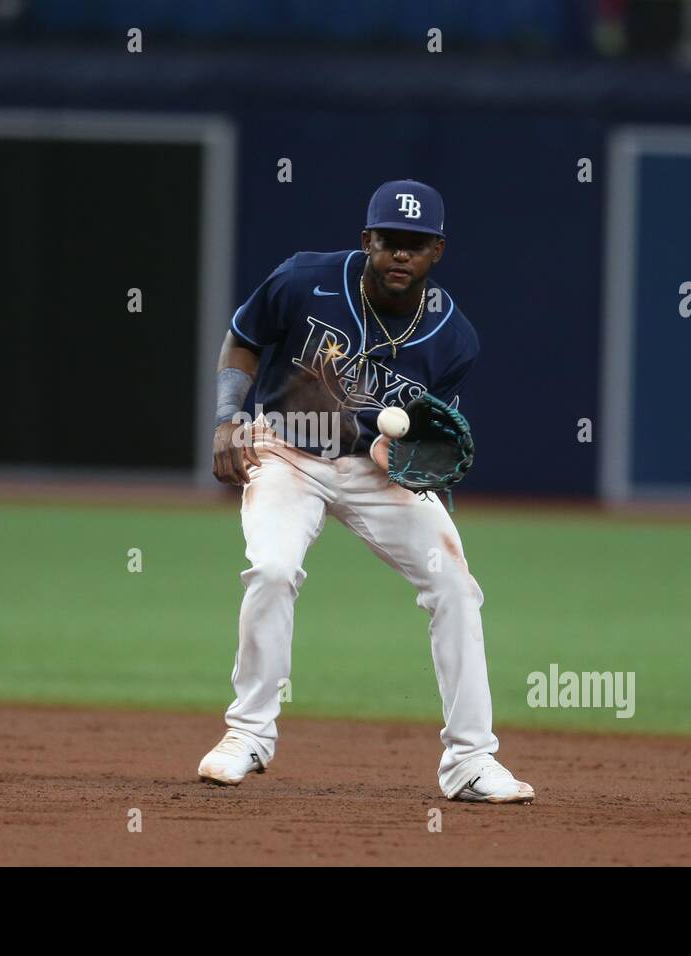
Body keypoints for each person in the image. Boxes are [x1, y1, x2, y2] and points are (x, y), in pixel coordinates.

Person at [197, 180, 535, 804]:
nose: (400, 255)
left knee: (455, 586)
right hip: (287, 452)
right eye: (389, 242)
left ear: (438, 250)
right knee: (272, 569)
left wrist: (417, 465)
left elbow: (431, 432)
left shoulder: (453, 337)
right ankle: (247, 735)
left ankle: (470, 762)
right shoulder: (304, 279)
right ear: (367, 242)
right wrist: (225, 418)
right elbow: (244, 337)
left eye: (415, 244)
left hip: (375, 471)